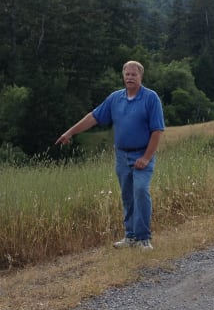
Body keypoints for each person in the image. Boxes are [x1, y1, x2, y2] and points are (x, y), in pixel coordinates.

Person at [56, 61, 165, 250]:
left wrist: (146, 157)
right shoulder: (115, 98)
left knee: (140, 190)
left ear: (141, 77)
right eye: (127, 74)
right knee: (127, 196)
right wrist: (70, 132)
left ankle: (143, 238)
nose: (130, 77)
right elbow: (93, 117)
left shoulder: (150, 98)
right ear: (123, 76)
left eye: (134, 74)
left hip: (142, 154)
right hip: (122, 155)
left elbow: (157, 131)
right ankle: (130, 236)